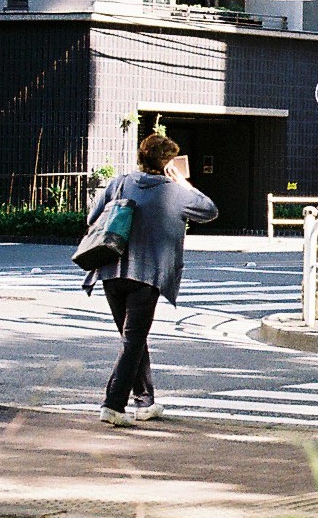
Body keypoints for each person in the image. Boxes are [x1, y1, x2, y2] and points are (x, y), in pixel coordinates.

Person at [84, 134, 218, 426]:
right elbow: (209, 210)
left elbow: (92, 219)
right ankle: (113, 404)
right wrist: (183, 183)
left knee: (133, 339)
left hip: (110, 270)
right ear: (168, 164)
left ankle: (145, 402)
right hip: (147, 275)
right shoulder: (174, 192)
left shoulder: (118, 183)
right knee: (133, 340)